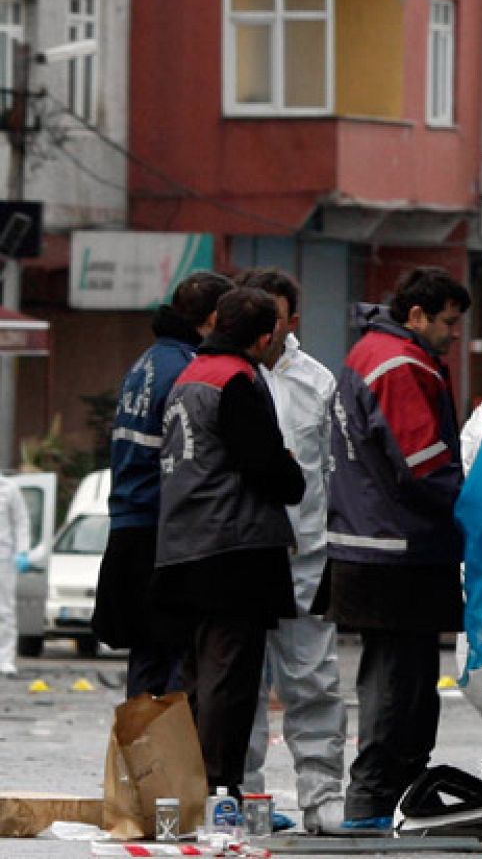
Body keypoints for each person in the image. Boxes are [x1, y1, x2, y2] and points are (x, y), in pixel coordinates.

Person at [317, 267, 471, 830]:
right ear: (417, 316)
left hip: (377, 541)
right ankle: (377, 797)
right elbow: (423, 463)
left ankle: (395, 793)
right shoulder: (399, 364)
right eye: (450, 323)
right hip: (393, 546)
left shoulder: (371, 352)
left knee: (403, 676)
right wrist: (476, 508)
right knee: (396, 681)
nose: (454, 335)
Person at [152, 287, 305, 794]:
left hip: (185, 544)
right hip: (232, 548)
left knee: (200, 675)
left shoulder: (189, 375)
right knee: (230, 678)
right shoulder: (236, 380)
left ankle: (190, 786)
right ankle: (217, 789)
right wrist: (289, 469)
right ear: (264, 337)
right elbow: (271, 469)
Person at [234, 269, 347, 834]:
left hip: (306, 558)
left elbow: (336, 474)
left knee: (315, 683)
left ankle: (323, 795)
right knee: (243, 685)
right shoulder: (226, 378)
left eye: (272, 316)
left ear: (292, 322)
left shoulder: (319, 383)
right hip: (245, 557)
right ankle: (245, 798)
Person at [94, 271, 235, 698]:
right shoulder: (191, 370)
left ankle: (142, 763)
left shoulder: (145, 363)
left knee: (147, 659)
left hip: (129, 525)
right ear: (212, 319)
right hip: (167, 531)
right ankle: (170, 761)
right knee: (179, 659)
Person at [0, 474, 32, 678]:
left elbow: (21, 522)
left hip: (3, 558)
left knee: (4, 610)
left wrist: (22, 551)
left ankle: (5, 659)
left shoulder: (8, 488)